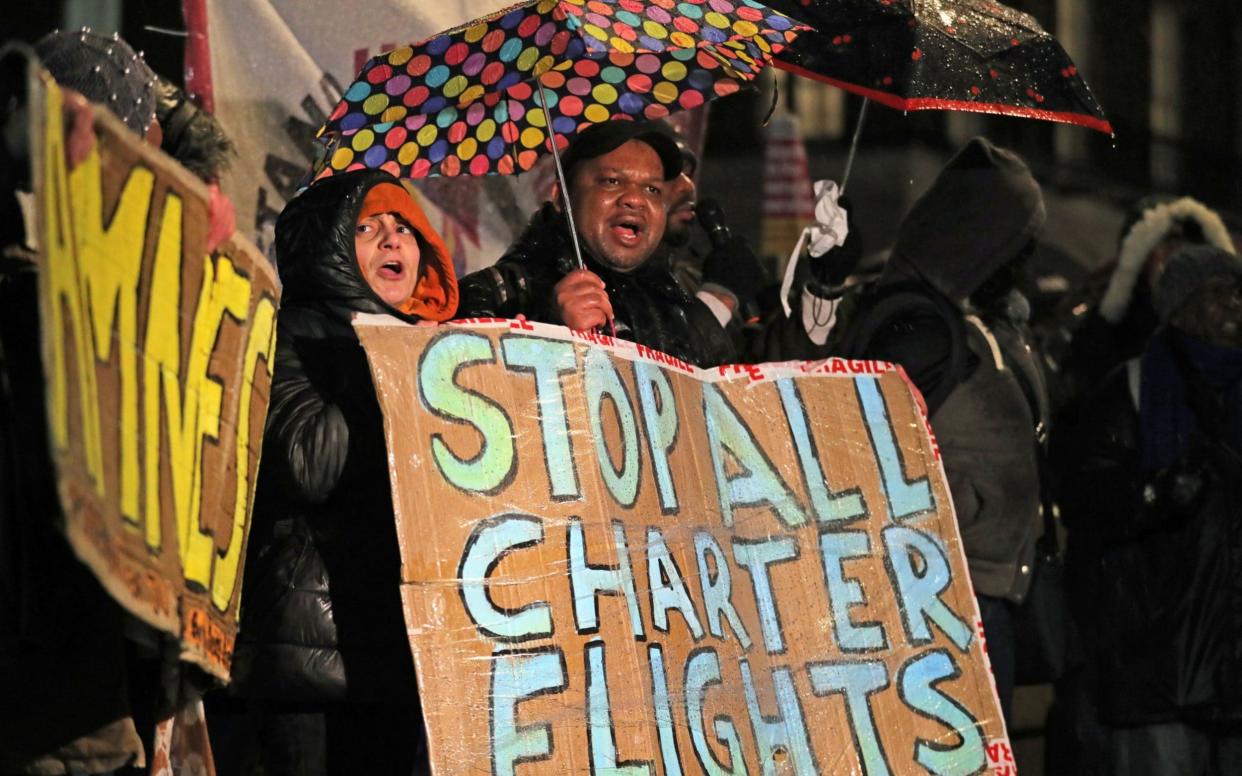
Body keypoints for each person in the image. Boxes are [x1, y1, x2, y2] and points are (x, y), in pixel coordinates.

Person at [229, 169, 457, 775]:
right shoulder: (290, 334)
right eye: (368, 228)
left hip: (403, 659)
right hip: (306, 664)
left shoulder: (440, 350)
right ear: (329, 249)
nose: (392, 241)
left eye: (404, 227)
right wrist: (380, 356)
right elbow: (308, 463)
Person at [837, 137, 1050, 721]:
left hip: (985, 595)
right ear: (985, 238)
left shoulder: (982, 322)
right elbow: (868, 460)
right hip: (939, 607)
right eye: (1018, 243)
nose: (1025, 260)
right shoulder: (921, 329)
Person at [1062, 244, 1242, 775]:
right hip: (1160, 668)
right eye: (1219, 293)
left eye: (1239, 292)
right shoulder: (1133, 390)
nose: (1235, 304)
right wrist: (1150, 495)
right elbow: (1084, 498)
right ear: (1180, 307)